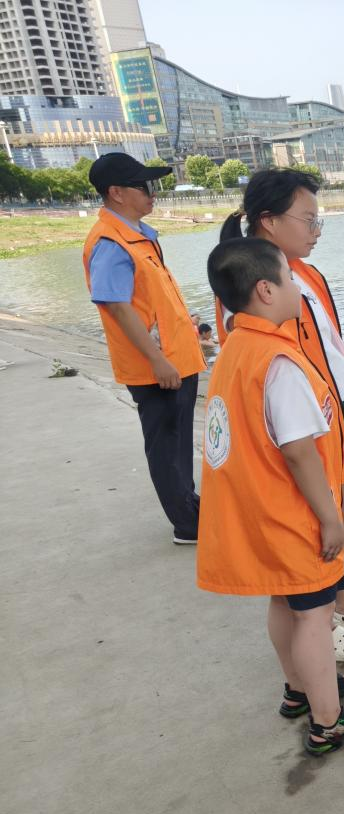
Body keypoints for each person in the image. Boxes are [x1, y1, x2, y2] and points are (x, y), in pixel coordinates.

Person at [198, 237, 344, 756]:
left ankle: (299, 688)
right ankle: (329, 722)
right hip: (289, 514)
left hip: (257, 510)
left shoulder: (236, 350)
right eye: (288, 278)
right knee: (314, 614)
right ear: (265, 290)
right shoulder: (278, 361)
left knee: (283, 600)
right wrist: (330, 518)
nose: (297, 287)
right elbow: (300, 451)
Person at [216, 169, 344, 647]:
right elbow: (262, 369)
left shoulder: (304, 273)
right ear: (269, 220)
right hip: (302, 424)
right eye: (308, 219)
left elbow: (331, 346)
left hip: (334, 411)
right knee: (314, 523)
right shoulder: (252, 282)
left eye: (319, 221)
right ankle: (320, 625)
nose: (316, 231)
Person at [82, 152, 205, 544]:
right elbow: (117, 306)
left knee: (178, 442)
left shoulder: (137, 236)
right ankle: (186, 524)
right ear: (116, 193)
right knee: (166, 445)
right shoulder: (111, 243)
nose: (153, 193)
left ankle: (189, 505)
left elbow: (150, 302)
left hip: (176, 360)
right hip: (158, 368)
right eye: (144, 186)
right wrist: (157, 360)